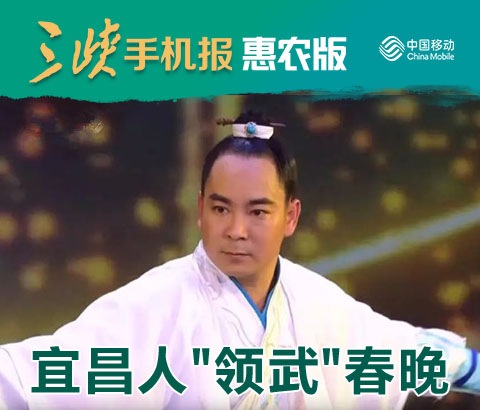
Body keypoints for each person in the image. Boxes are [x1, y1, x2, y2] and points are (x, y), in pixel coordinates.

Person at [0, 111, 479, 410]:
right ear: (200, 211)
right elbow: (32, 376)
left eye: (258, 211)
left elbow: (406, 351)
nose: (235, 229)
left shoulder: (317, 302)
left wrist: (469, 368)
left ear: (291, 216)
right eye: (221, 209)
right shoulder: (156, 302)